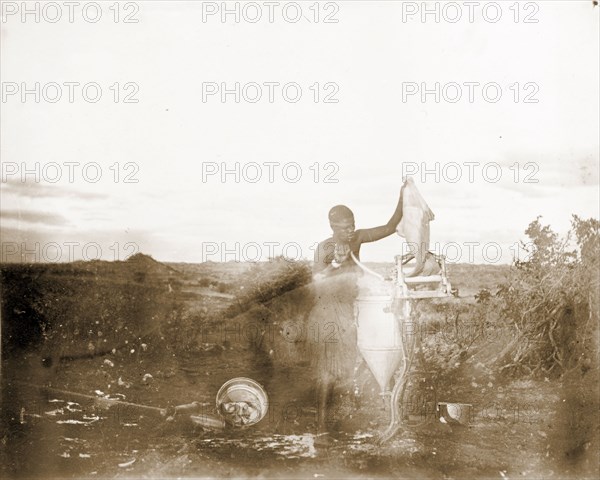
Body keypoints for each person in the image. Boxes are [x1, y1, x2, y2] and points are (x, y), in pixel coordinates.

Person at [308, 184, 405, 437]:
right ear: (333, 228)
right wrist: (337, 264)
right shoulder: (325, 248)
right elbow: (316, 279)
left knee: (342, 367)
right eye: (345, 227)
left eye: (352, 224)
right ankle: (321, 429)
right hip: (326, 314)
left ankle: (338, 422)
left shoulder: (358, 238)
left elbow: (391, 226)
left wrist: (403, 195)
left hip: (346, 313)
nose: (350, 230)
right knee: (327, 371)